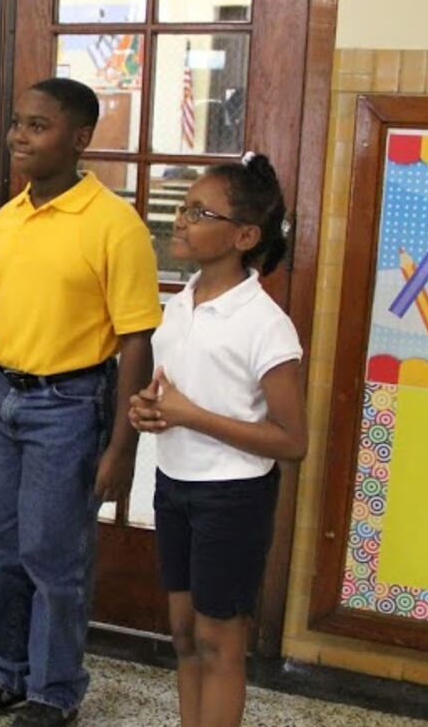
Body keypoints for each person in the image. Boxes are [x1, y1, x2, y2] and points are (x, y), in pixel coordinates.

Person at [0, 78, 160, 727]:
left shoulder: (114, 225)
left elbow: (137, 341)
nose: (19, 136)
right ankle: (3, 673)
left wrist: (123, 445)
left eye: (38, 125)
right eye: (17, 123)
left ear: (81, 138)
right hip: (3, 397)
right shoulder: (8, 218)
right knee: (1, 544)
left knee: (52, 553)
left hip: (69, 405)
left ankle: (54, 691)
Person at [127, 153, 306, 727]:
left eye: (198, 211)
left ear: (245, 236)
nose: (180, 220)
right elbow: (176, 397)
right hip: (174, 484)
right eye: (182, 208)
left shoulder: (264, 323)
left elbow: (291, 440)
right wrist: (150, 411)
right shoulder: (180, 305)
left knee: (218, 641)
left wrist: (190, 414)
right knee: (183, 635)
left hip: (232, 497)